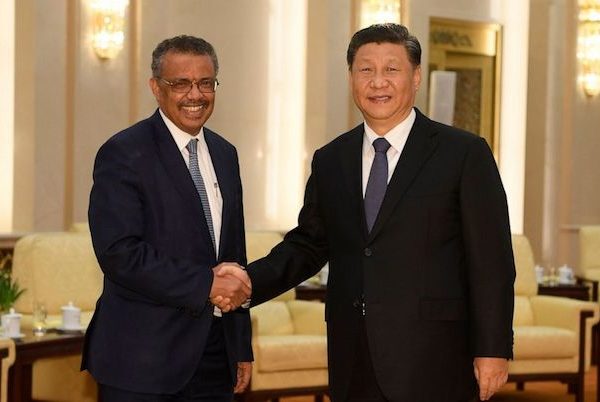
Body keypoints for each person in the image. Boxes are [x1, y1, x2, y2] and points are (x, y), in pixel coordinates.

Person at [218, 23, 515, 402]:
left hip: (435, 357)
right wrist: (248, 282)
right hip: (353, 355)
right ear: (351, 78)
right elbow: (308, 244)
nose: (378, 82)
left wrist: (492, 348)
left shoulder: (464, 153)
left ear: (416, 77)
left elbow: (491, 261)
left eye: (391, 69)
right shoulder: (331, 159)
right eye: (366, 70)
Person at [82, 35, 252, 401]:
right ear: (156, 88)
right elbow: (120, 253)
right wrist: (205, 284)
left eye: (205, 83)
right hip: (142, 360)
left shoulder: (225, 154)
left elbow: (233, 256)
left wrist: (240, 345)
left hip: (214, 356)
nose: (195, 94)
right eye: (181, 84)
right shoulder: (123, 152)